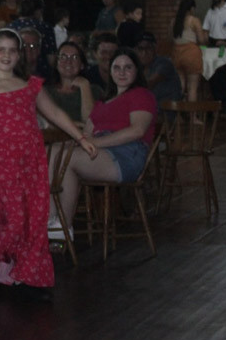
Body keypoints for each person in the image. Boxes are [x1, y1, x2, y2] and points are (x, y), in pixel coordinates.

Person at [0, 29, 94, 301]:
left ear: (18, 54)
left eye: (12, 50)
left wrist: (80, 137)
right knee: (11, 218)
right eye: (1, 50)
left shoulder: (31, 85)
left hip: (31, 159)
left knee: (33, 216)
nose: (6, 55)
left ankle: (28, 274)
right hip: (2, 161)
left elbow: (54, 113)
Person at [50, 47, 157, 237]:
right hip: (100, 150)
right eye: (117, 67)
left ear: (137, 71)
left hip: (126, 153)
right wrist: (81, 141)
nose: (122, 72)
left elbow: (137, 130)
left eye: (128, 67)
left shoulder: (141, 95)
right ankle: (53, 221)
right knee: (52, 150)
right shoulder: (103, 101)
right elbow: (87, 132)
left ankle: (59, 226)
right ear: (111, 71)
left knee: (68, 158)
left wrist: (93, 143)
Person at [45, 41, 95, 123]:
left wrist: (85, 86)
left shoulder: (94, 90)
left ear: (82, 65)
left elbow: (90, 122)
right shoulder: (45, 92)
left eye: (74, 57)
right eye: (63, 57)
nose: (68, 61)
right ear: (56, 63)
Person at [7, 0, 57, 75]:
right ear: (39, 11)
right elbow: (51, 59)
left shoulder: (10, 27)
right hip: (40, 74)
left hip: (15, 73)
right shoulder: (45, 27)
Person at [171, 0, 206, 103]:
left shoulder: (174, 21)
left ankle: (179, 112)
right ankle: (191, 112)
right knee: (192, 87)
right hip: (191, 53)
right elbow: (201, 40)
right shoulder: (194, 21)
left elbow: (170, 38)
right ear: (191, 8)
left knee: (180, 86)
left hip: (176, 53)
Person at [135, 32, 182, 107]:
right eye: (140, 49)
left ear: (155, 49)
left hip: (165, 111)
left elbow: (149, 83)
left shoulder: (164, 63)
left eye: (148, 48)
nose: (144, 53)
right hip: (149, 108)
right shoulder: (139, 67)